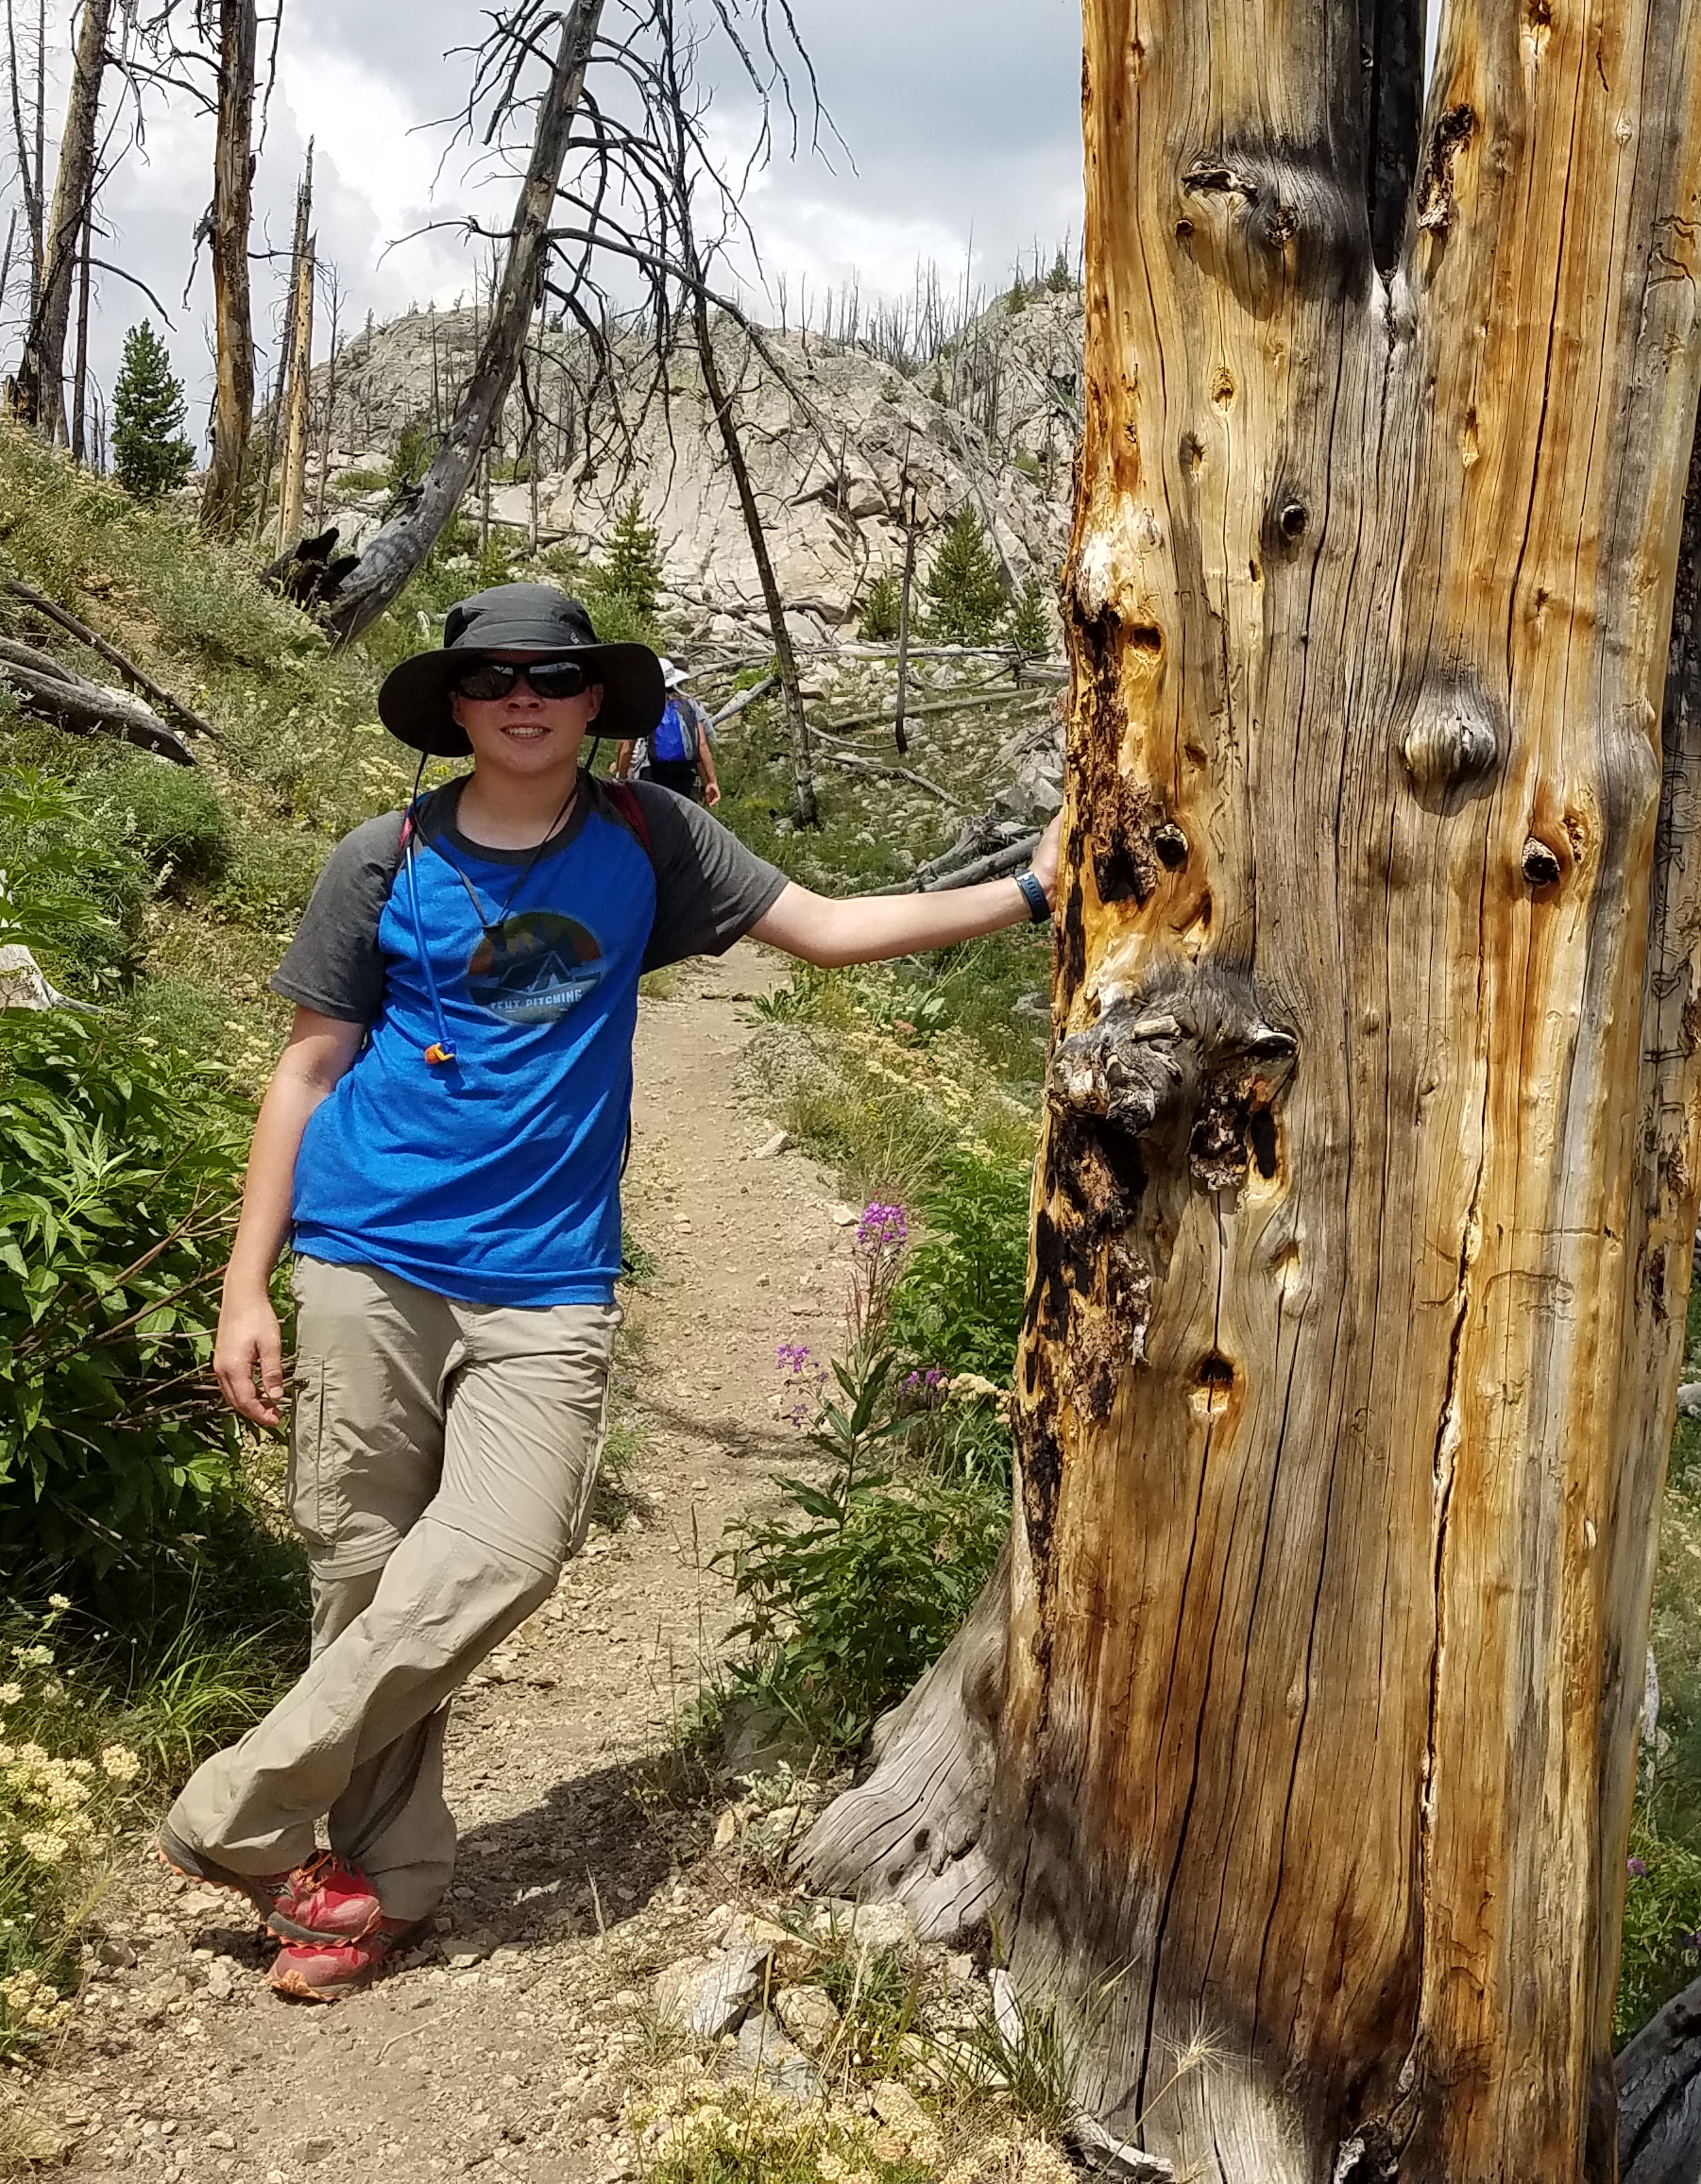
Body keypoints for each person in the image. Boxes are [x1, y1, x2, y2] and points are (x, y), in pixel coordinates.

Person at [156, 583, 1059, 1997]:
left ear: (596, 705)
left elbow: (821, 927)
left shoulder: (652, 839)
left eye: (555, 678)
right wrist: (243, 1287)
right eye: (495, 676)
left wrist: (1031, 893)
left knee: (502, 1556)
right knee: (362, 1580)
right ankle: (371, 1885)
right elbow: (306, 1070)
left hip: (547, 1279)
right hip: (363, 1252)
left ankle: (238, 1806)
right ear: (454, 705)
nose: (524, 697)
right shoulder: (381, 858)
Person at [630, 659, 723, 804]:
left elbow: (627, 747)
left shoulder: (646, 706)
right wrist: (710, 782)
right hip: (685, 775)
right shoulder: (690, 704)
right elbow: (702, 745)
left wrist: (622, 777)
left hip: (651, 773)